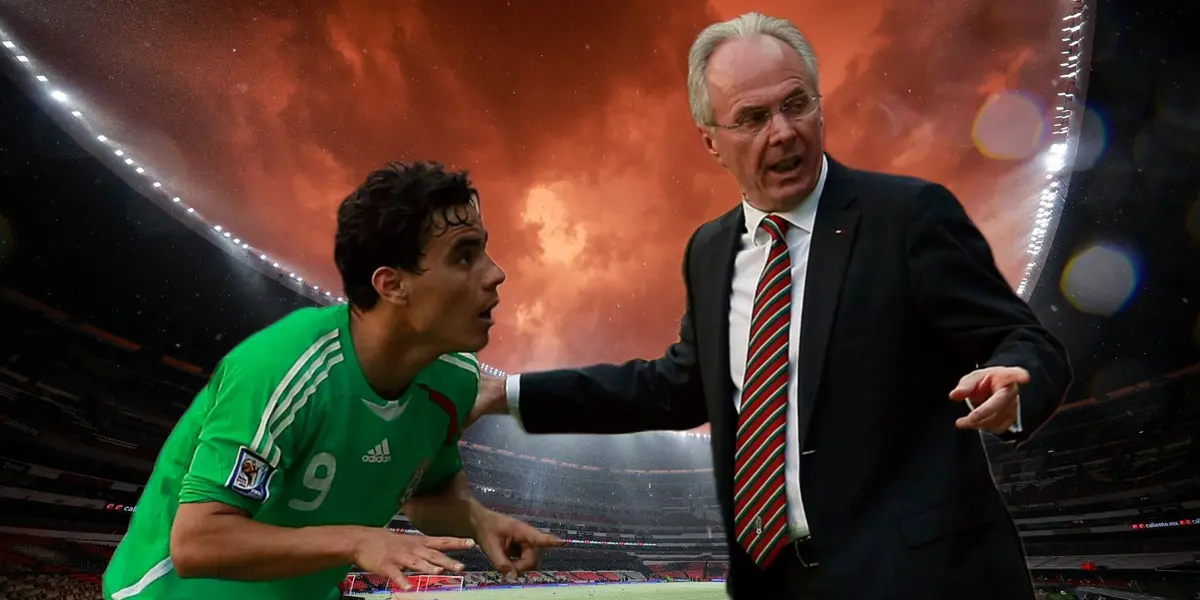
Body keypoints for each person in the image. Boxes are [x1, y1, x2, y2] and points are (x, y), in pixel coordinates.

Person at [471, 13, 1072, 600]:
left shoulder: (906, 217)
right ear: (711, 140)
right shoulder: (709, 251)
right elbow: (675, 387)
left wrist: (1017, 379)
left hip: (922, 577)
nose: (782, 132)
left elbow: (1024, 340)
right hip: (778, 581)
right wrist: (511, 394)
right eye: (752, 118)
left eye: (796, 104)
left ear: (819, 103)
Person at [103, 162, 563, 600]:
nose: (496, 273)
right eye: (465, 256)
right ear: (392, 285)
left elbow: (425, 494)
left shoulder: (455, 379)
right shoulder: (282, 367)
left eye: (484, 249)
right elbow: (198, 542)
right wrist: (356, 540)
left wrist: (478, 520)